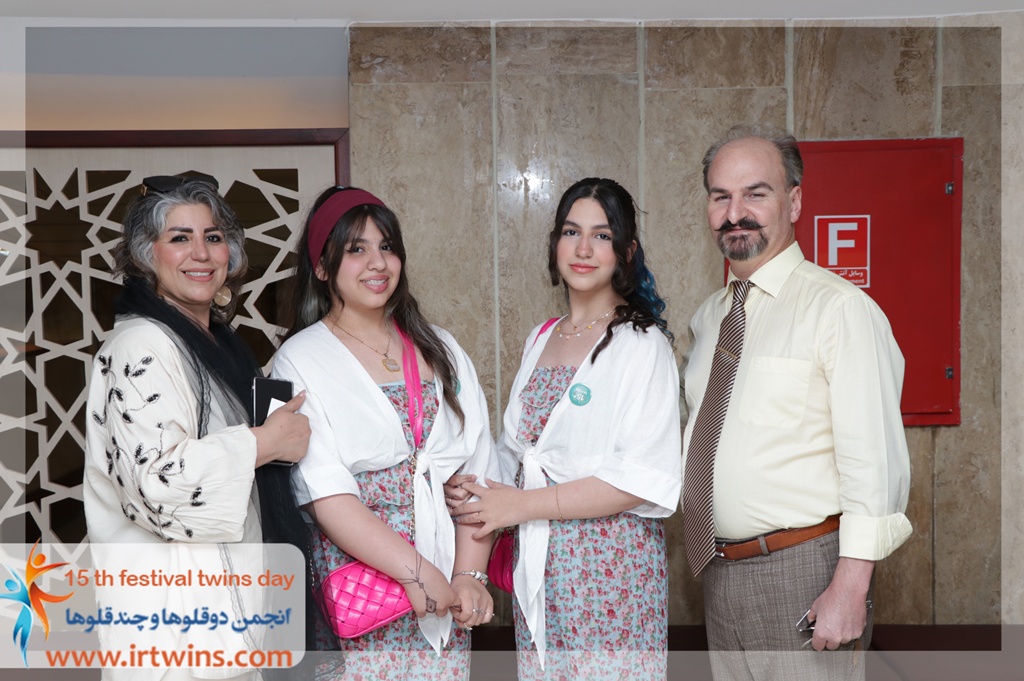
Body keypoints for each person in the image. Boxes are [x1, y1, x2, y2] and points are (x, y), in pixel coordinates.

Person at [680, 125, 912, 680]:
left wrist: (850, 586)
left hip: (804, 573)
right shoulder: (709, 319)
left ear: (795, 201)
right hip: (719, 572)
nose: (736, 213)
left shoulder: (839, 310)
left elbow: (873, 461)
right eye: (720, 196)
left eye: (755, 194)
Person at [448, 178, 681, 680]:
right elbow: (518, 454)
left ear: (626, 252)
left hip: (611, 568)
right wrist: (472, 485)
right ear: (554, 243)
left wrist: (520, 505)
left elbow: (641, 477)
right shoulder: (541, 337)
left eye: (602, 235)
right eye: (571, 232)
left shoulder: (642, 344)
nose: (583, 249)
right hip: (539, 562)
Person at [83, 174, 311, 680]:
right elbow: (157, 486)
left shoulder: (215, 343)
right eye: (179, 238)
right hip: (172, 632)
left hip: (226, 616)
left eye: (213, 237)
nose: (201, 253)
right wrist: (265, 442)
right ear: (147, 255)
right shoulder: (140, 347)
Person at [270, 186, 498, 680]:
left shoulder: (441, 348)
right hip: (364, 588)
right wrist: (416, 573)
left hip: (446, 583)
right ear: (323, 267)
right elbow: (324, 492)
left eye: (387, 246)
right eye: (357, 249)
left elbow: (478, 473)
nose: (378, 263)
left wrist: (468, 574)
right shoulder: (298, 359)